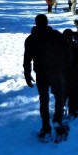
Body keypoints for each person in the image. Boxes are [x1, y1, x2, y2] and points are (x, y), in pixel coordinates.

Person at [23, 14, 69, 142]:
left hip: (41, 73)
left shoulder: (31, 39)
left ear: (36, 23)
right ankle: (57, 121)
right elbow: (66, 49)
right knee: (59, 96)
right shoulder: (55, 35)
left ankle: (45, 128)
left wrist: (27, 74)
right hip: (55, 71)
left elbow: (27, 59)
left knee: (44, 100)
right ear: (47, 22)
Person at [62, 29, 78, 119]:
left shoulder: (57, 47)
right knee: (73, 92)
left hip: (61, 73)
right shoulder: (74, 46)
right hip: (73, 72)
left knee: (63, 92)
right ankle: (73, 111)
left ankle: (61, 111)